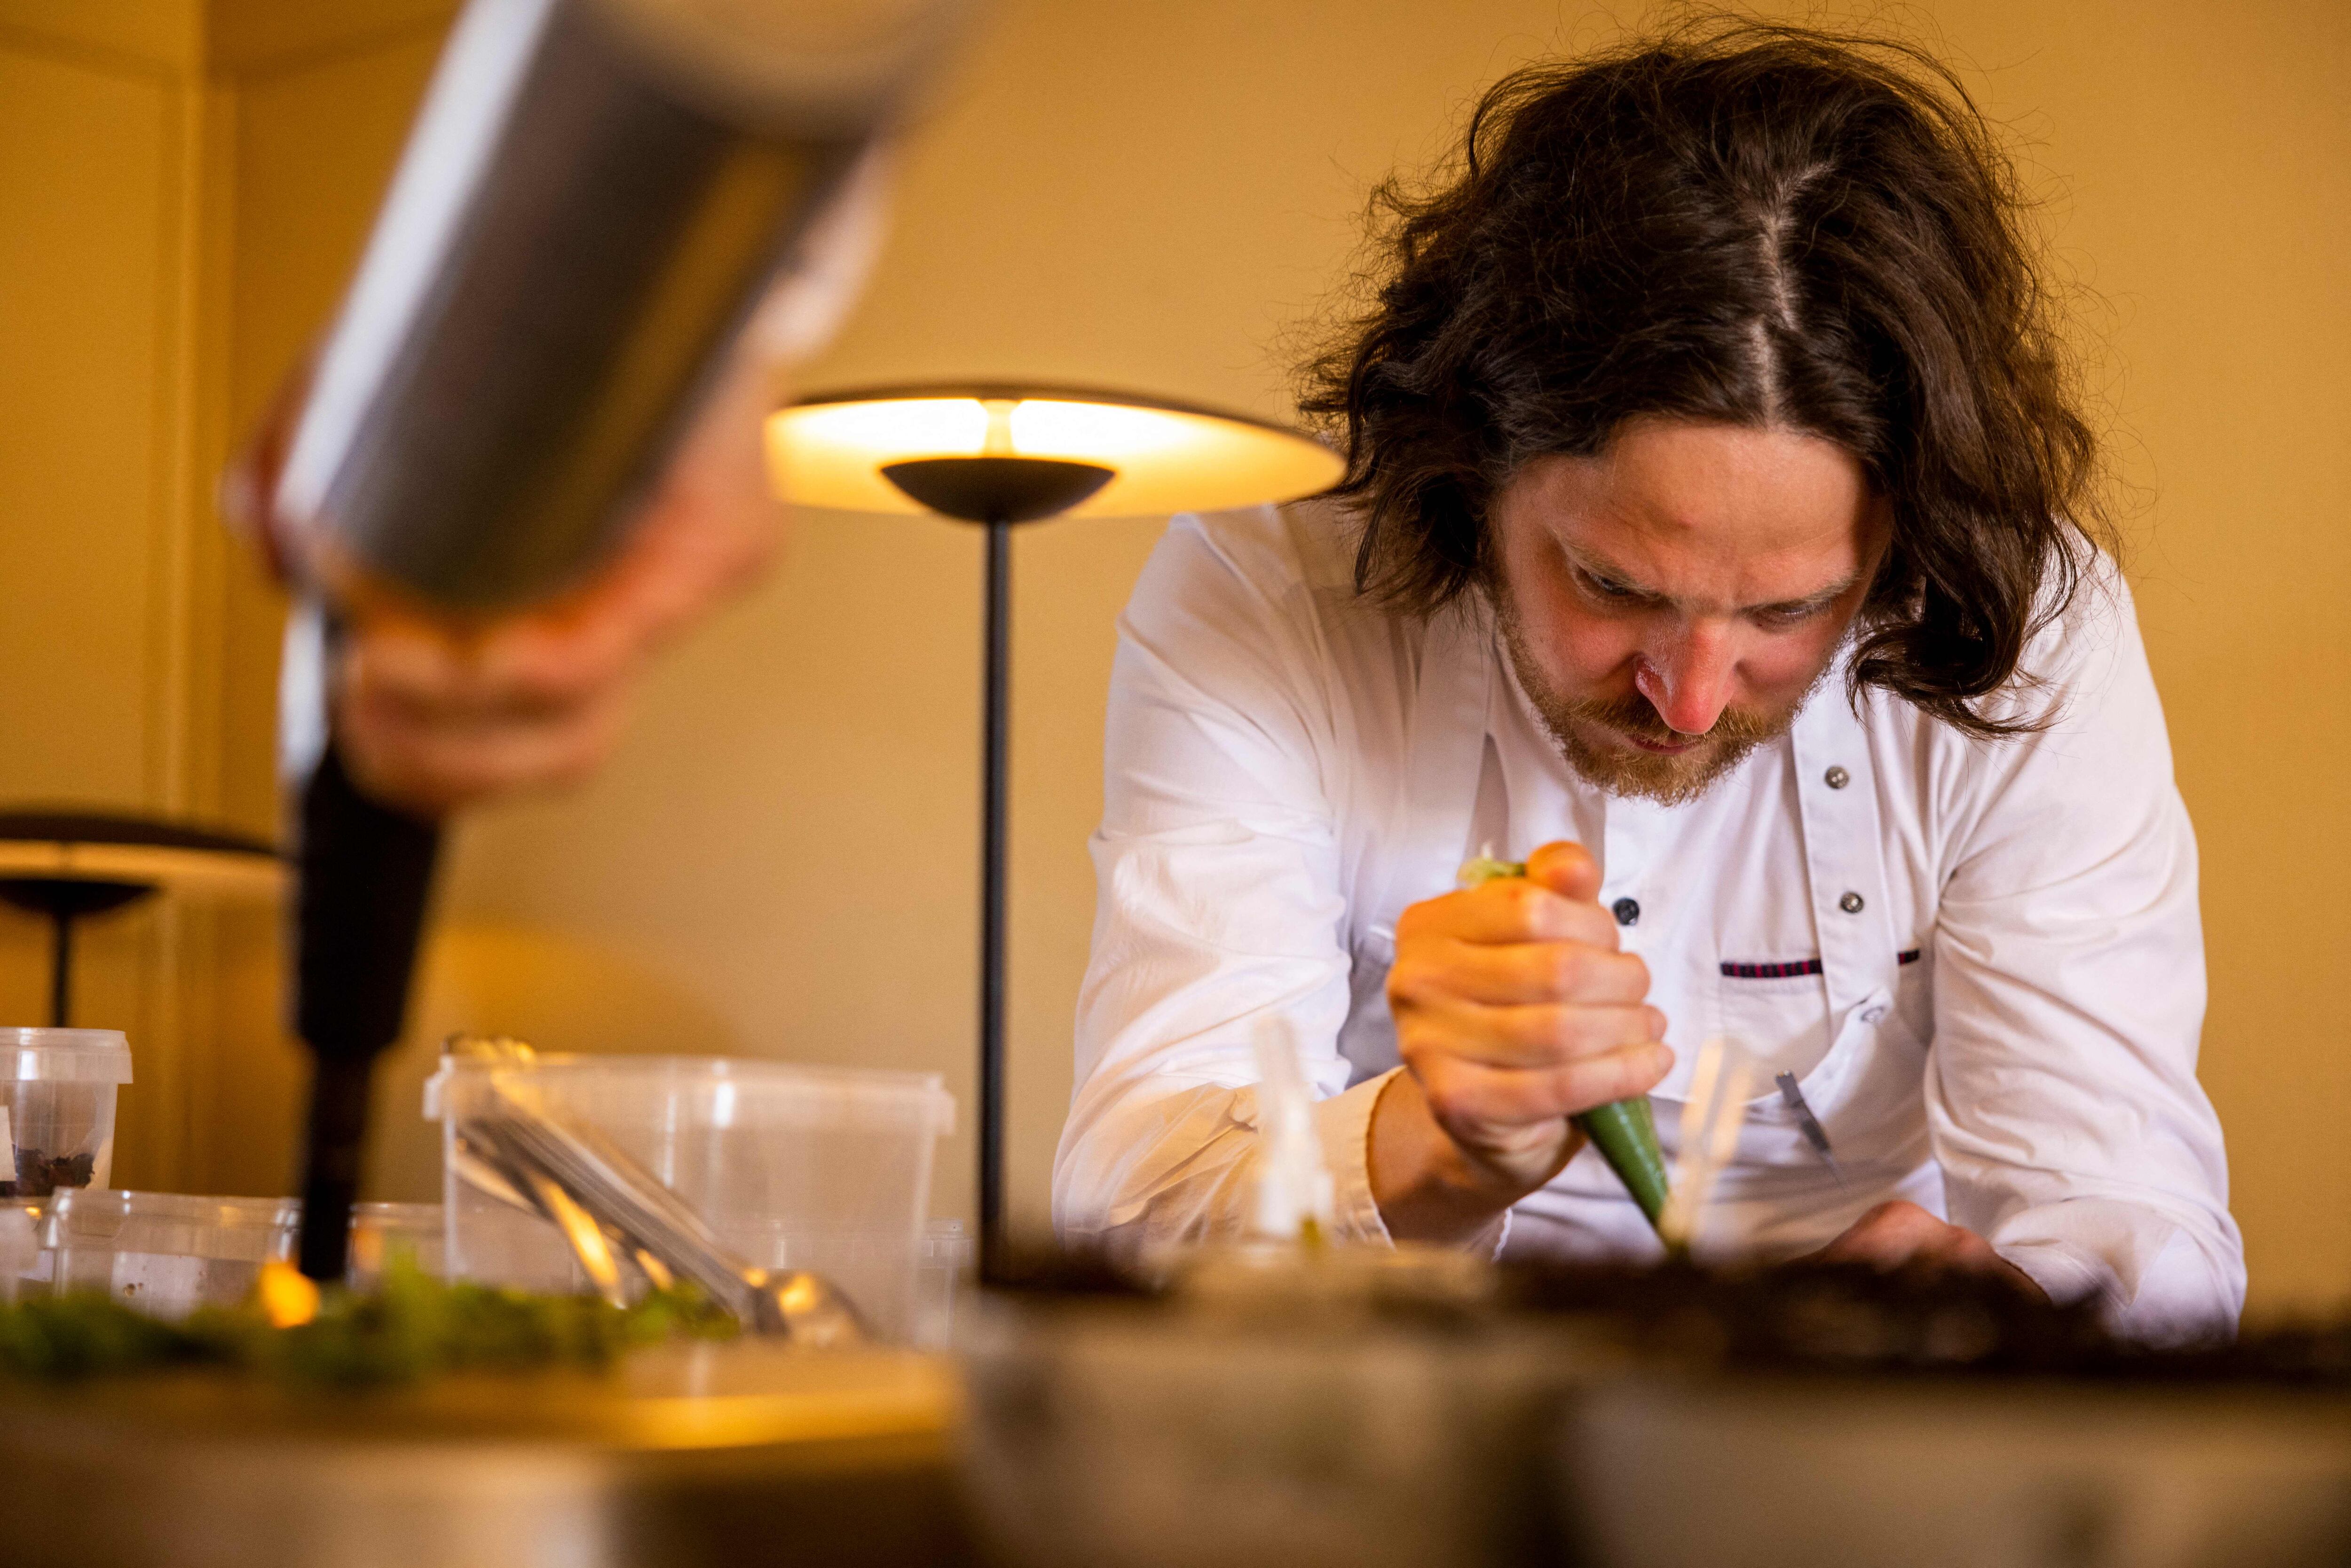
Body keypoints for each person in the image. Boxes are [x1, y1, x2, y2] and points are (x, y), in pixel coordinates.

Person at [1053, 22, 2243, 1342]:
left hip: (1846, 1447)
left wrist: (2007, 1316)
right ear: (1471, 465)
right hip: (1397, 1415)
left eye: (1791, 611)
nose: (1689, 698)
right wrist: (1442, 1147)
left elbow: (2133, 1220)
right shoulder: (1266, 586)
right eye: (1614, 587)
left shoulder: (2024, 622)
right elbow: (1128, 1217)